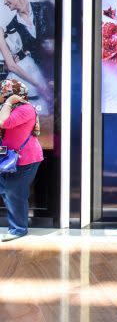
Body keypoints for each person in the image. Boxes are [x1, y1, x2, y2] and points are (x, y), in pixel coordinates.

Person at [0, 79, 43, 241]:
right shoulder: (6, 108)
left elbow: (3, 122)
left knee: (14, 192)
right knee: (8, 190)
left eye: (4, 92)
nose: (1, 95)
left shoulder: (25, 109)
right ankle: (16, 223)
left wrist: (9, 102)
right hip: (7, 158)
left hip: (26, 158)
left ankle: (18, 229)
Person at [1, 0, 54, 107]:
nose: (4, 2)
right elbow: (21, 53)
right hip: (39, 77)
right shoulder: (11, 27)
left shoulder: (46, 7)